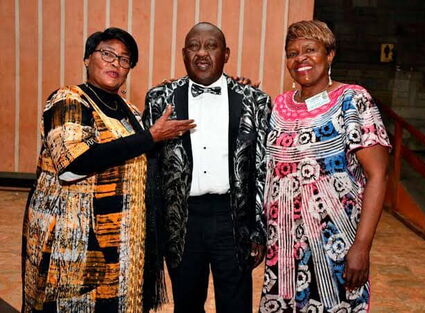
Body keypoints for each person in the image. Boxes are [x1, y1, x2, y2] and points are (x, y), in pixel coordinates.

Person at [22, 27, 195, 313]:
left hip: (120, 243)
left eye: (125, 59)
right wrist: (149, 137)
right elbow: (73, 164)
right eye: (107, 54)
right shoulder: (68, 100)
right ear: (88, 58)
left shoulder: (128, 109)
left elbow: (141, 155)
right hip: (74, 240)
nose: (115, 63)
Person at [258, 20, 391, 313]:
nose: (300, 59)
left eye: (310, 50)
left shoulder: (352, 100)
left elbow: (378, 175)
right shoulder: (278, 106)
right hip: (283, 251)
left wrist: (362, 247)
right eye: (292, 53)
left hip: (335, 246)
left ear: (329, 54)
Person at [143, 22, 270, 313]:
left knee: (236, 304)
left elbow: (262, 169)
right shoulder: (159, 99)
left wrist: (258, 230)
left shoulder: (255, 101)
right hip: (182, 220)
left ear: (226, 54)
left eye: (211, 46)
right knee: (186, 304)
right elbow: (150, 167)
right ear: (183, 53)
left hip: (232, 217)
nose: (202, 53)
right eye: (194, 46)